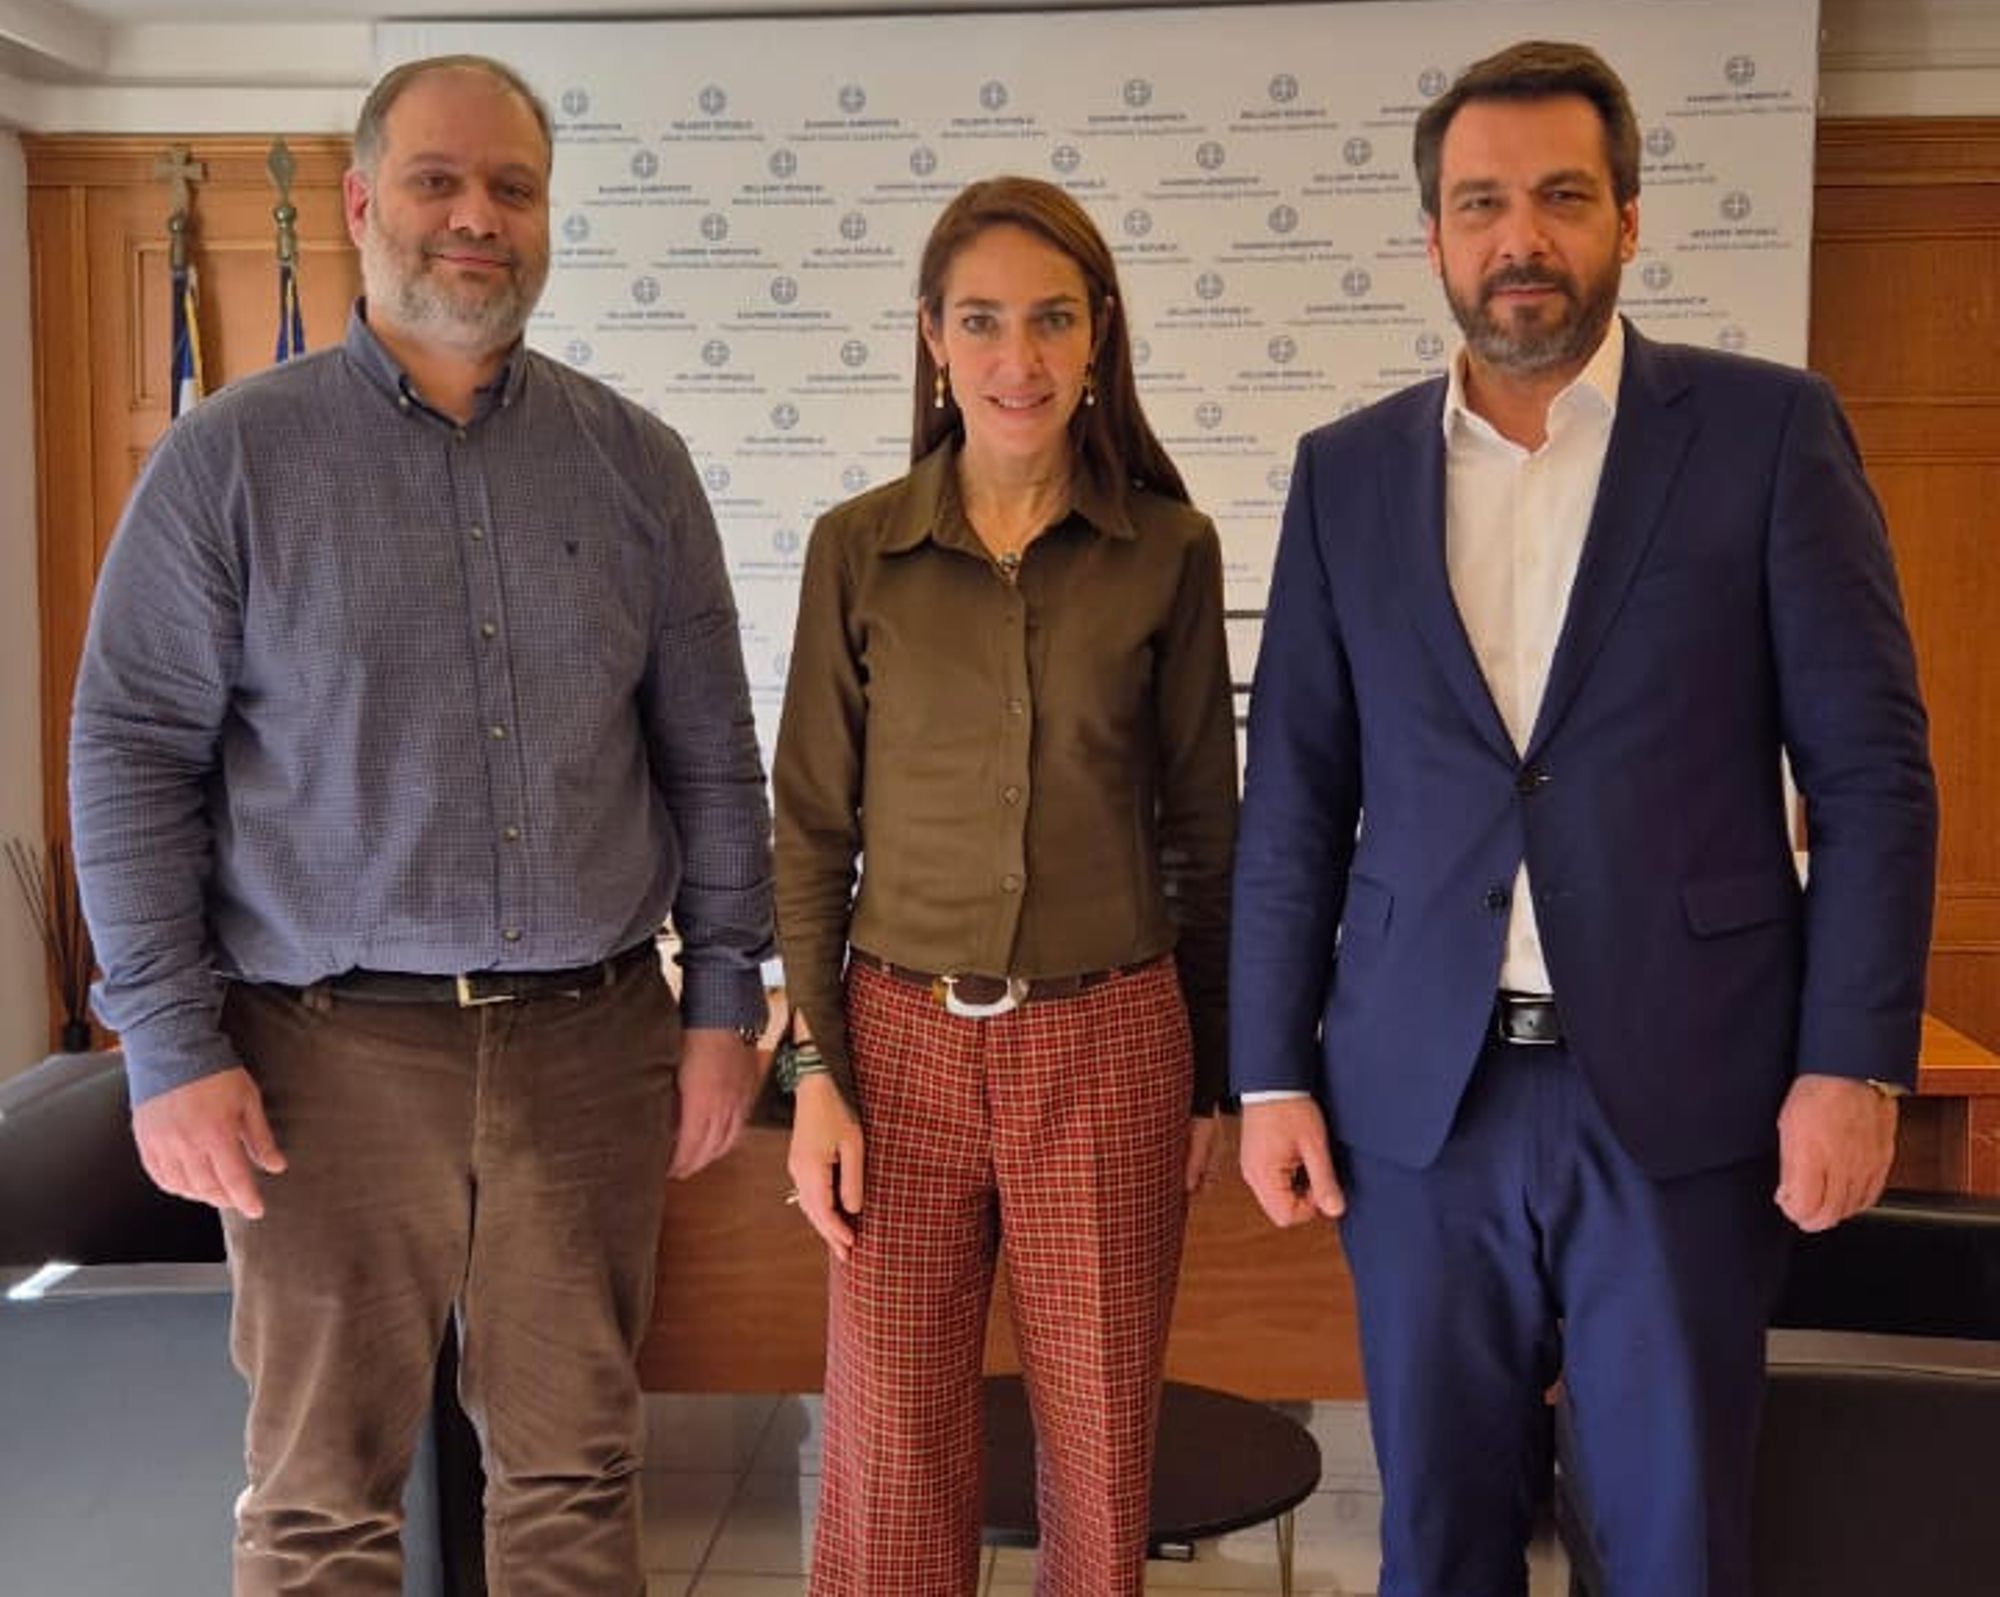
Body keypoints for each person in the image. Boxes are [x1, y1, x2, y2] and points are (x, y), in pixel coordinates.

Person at [1231, 39, 1937, 1597]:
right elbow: (1294, 790)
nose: (1521, 237)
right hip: (1423, 1108)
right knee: (1438, 1545)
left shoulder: (1767, 435)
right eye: (1481, 203)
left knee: (1673, 1547)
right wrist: (1271, 1067)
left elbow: (1872, 773)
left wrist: (1852, 1060)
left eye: (1561, 196)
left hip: (1687, 1097)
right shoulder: (1346, 475)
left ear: (1627, 216)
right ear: (1433, 236)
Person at [68, 55, 773, 1595]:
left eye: (512, 189)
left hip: (590, 1047)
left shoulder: (635, 464)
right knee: (320, 1499)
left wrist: (726, 997)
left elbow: (714, 757)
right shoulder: (228, 462)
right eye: (439, 182)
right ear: (360, 202)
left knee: (577, 1477)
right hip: (321, 1061)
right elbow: (129, 754)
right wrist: (170, 1046)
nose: (477, 218)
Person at [772, 175, 1238, 1596]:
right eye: (979, 321)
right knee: (891, 1455)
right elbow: (809, 830)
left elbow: (1203, 830)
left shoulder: (1169, 550)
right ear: (931, 337)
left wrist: (1212, 1075)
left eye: (1050, 319)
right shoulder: (857, 548)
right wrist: (816, 1073)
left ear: (1099, 335)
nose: (1016, 358)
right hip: (896, 1047)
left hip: (1110, 1045)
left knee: (1099, 1455)